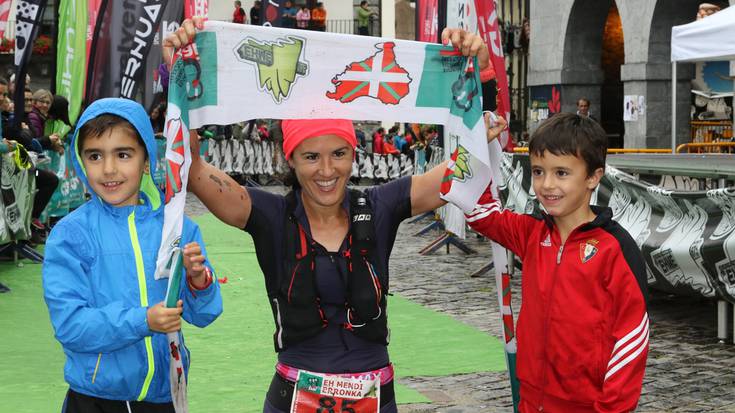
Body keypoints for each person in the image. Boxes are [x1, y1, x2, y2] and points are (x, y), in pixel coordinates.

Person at [163, 18, 495, 413]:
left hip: (376, 399)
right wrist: (178, 74)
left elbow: (471, 159)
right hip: (292, 399)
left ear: (354, 155)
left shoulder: (379, 206)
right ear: (289, 159)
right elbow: (191, 165)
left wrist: (482, 72)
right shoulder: (270, 215)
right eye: (310, 157)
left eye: (339, 154)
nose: (326, 171)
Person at [42, 98, 223, 412]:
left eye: (123, 154)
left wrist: (198, 282)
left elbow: (204, 314)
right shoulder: (70, 234)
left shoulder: (177, 227)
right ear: (81, 161)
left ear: (146, 159)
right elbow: (71, 326)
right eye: (95, 156)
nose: (109, 169)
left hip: (165, 396)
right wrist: (144, 320)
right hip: (95, 399)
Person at [463, 113, 648, 412]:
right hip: (531, 398)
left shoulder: (615, 248)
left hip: (587, 405)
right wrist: (476, 149)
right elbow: (478, 213)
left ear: (593, 176)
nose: (546, 185)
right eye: (538, 171)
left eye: (561, 173)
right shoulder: (531, 232)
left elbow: (632, 336)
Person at [0, 80, 60, 243]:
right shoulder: (17, 117)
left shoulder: (26, 117)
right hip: (11, 170)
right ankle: (26, 228)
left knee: (46, 181)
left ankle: (29, 224)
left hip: (19, 168)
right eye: (24, 100)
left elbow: (30, 140)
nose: (3, 98)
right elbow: (25, 139)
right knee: (47, 180)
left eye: (5, 94)